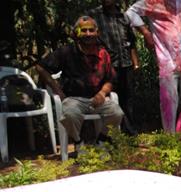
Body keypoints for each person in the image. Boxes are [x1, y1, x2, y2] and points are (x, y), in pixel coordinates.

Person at [36, 16, 124, 146]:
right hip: (74, 99)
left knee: (117, 113)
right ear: (76, 33)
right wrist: (58, 90)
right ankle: (78, 142)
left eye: (91, 30)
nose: (88, 34)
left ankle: (102, 140)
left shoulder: (103, 53)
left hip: (97, 99)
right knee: (70, 115)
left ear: (97, 32)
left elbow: (111, 79)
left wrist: (102, 93)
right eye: (83, 30)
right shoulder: (66, 52)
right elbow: (40, 67)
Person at [126, 0, 181, 140]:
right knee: (168, 102)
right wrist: (145, 32)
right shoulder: (153, 2)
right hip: (166, 60)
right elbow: (130, 13)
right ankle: (170, 140)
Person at [90, 0, 140, 134]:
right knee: (111, 99)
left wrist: (135, 63)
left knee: (127, 99)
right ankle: (109, 135)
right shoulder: (94, 16)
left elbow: (132, 42)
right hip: (106, 65)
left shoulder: (123, 17)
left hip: (126, 64)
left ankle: (129, 134)